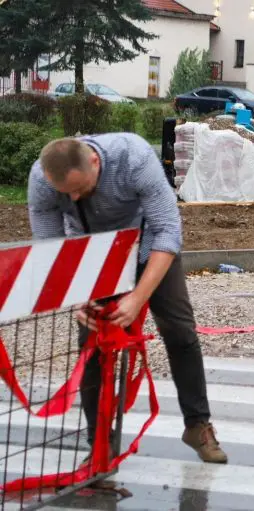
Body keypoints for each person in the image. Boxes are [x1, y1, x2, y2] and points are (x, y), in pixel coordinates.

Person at [27, 133, 228, 463]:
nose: (74, 198)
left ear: (94, 161)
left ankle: (197, 426)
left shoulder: (133, 157)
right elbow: (51, 247)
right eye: (66, 193)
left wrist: (138, 297)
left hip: (148, 245)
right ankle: (100, 446)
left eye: (80, 187)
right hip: (92, 255)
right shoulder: (43, 179)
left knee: (180, 332)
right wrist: (76, 299)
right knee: (93, 349)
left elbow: (168, 230)